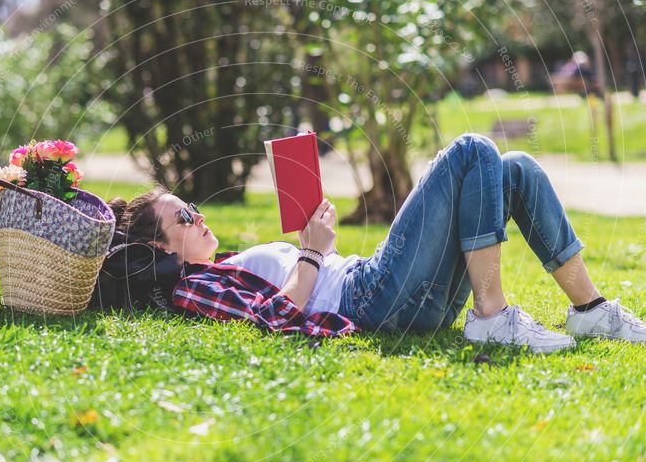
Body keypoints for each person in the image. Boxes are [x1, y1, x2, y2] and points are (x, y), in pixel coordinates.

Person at [106, 133, 646, 352]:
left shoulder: (224, 263)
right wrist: (313, 252)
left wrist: (312, 248)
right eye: (183, 217)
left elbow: (281, 293)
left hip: (389, 288)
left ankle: (590, 309)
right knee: (470, 149)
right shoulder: (193, 285)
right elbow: (272, 319)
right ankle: (492, 313)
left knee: (516, 169)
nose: (198, 217)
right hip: (372, 296)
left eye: (193, 208)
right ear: (162, 249)